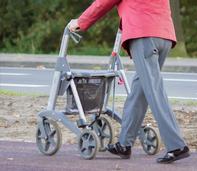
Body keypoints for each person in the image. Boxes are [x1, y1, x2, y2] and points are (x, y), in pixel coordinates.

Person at [68, 0, 190, 164]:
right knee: (139, 93)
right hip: (164, 35)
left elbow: (103, 3)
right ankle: (124, 144)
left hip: (144, 35)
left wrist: (80, 22)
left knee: (154, 91)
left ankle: (177, 145)